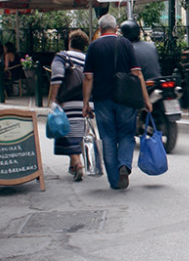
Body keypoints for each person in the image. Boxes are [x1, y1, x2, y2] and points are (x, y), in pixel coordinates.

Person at [82, 15, 153, 190]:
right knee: (126, 134)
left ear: (100, 29)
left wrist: (85, 104)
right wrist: (146, 99)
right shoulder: (125, 44)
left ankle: (115, 180)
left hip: (102, 99)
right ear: (116, 28)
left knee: (107, 137)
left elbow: (88, 78)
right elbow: (137, 73)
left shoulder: (94, 46)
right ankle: (124, 165)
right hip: (126, 98)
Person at [48, 30, 90, 181]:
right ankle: (73, 164)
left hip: (67, 100)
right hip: (85, 101)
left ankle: (77, 163)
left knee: (65, 131)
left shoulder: (62, 57)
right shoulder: (88, 59)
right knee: (78, 132)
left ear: (70, 42)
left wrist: (54, 98)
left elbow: (57, 76)